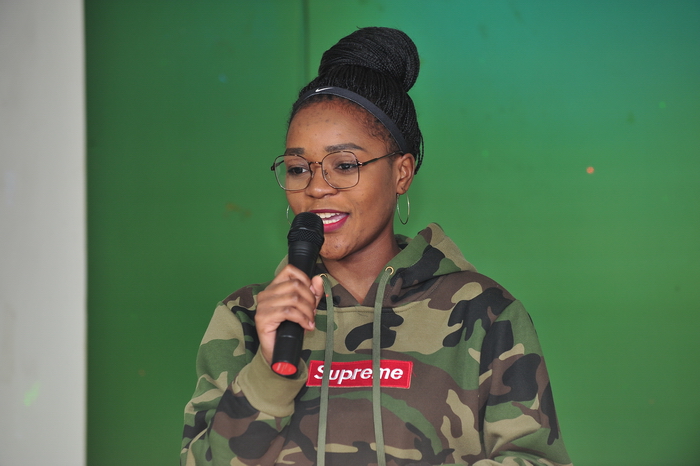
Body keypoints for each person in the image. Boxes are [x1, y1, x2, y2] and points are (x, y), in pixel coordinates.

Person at [181, 27, 572, 466]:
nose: (316, 188)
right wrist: (268, 372)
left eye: (344, 165)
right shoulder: (244, 318)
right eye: (297, 168)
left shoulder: (484, 313)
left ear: (402, 173)